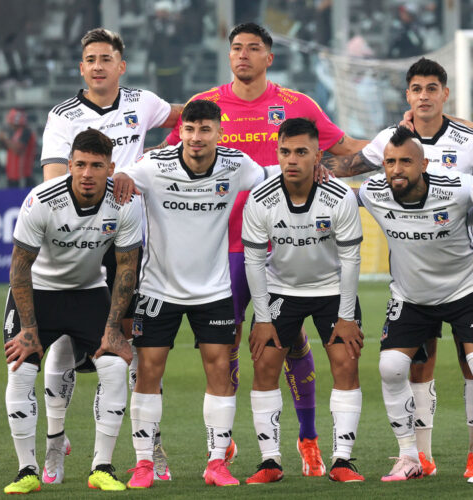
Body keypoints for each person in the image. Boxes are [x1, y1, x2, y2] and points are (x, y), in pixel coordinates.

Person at [163, 22, 368, 476]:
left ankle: (310, 439)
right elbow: (169, 157)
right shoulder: (208, 105)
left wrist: (401, 145)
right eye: (236, 48)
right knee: (233, 342)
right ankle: (228, 442)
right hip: (224, 244)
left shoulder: (297, 105)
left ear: (268, 57)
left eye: (253, 48)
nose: (243, 56)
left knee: (290, 338)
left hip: (294, 241)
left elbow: (344, 149)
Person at [322, 57, 473, 477]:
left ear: (444, 94)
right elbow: (345, 170)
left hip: (462, 273)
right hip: (411, 281)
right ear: (408, 95)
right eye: (417, 89)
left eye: (432, 88)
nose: (424, 96)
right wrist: (299, 163)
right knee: (413, 364)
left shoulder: (471, 140)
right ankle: (418, 456)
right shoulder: (387, 141)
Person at [37, 27, 182, 484]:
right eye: (90, 59)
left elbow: (189, 116)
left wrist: (160, 160)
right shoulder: (62, 116)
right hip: (78, 245)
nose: (98, 66)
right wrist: (110, 179)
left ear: (121, 65)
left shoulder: (143, 101)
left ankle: (147, 445)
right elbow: (55, 178)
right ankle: (55, 444)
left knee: (128, 348)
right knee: (61, 345)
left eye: (106, 58)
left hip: (130, 246)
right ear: (81, 68)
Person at [113, 100, 267, 488]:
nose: (196, 138)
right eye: (189, 130)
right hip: (157, 287)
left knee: (220, 371)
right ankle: (144, 463)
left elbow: (273, 176)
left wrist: (316, 169)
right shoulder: (153, 165)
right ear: (180, 131)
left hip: (213, 288)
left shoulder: (236, 164)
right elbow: (120, 176)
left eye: (205, 130)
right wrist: (120, 177)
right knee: (148, 371)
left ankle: (217, 463)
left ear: (219, 132)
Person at [2, 129, 142, 493]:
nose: (87, 173)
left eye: (97, 166)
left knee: (114, 364)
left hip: (88, 291)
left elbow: (127, 266)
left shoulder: (125, 202)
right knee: (20, 368)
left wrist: (113, 328)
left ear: (111, 168)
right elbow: (19, 267)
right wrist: (29, 329)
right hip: (37, 293)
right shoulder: (42, 200)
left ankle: (102, 467)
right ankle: (27, 470)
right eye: (80, 164)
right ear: (69, 165)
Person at [358, 127, 473, 482]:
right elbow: (337, 194)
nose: (396, 169)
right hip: (412, 297)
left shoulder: (459, 188)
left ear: (425, 163)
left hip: (467, 291)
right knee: (390, 368)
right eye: (389, 162)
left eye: (405, 161)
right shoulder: (374, 192)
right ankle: (409, 457)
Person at [242, 118, 365, 483]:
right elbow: (253, 262)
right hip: (282, 291)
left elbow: (351, 260)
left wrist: (346, 316)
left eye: (301, 152)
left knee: (346, 364)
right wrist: (262, 318)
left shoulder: (340, 196)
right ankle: (270, 462)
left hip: (332, 291)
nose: (291, 159)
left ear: (318, 156)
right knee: (264, 365)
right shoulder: (260, 199)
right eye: (284, 152)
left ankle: (342, 459)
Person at [0, 108, 36, 188]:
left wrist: (5, 139)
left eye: (11, 123)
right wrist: (1, 140)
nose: (10, 125)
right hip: (13, 176)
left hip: (23, 177)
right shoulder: (15, 133)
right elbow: (4, 147)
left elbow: (18, 149)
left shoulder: (26, 132)